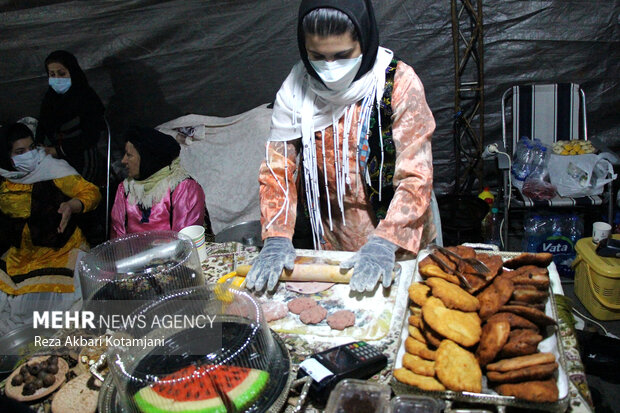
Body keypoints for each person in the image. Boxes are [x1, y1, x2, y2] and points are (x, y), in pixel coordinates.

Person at [247, 0, 436, 292]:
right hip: (333, 237)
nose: (330, 68)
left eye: (343, 55)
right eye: (317, 56)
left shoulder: (397, 84)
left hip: (396, 241)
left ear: (366, 40)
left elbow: (416, 176)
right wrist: (276, 236)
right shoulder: (296, 89)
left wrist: (385, 244)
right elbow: (278, 170)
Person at [0, 121, 101, 333]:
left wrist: (71, 206)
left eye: (31, 148)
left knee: (55, 322)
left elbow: (91, 193)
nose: (29, 155)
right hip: (19, 258)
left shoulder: (52, 170)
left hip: (60, 253)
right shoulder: (4, 179)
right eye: (20, 151)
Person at [109, 127, 206, 238]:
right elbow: (117, 237)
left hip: (172, 254)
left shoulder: (183, 188)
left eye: (129, 155)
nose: (123, 160)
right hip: (134, 255)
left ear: (148, 158)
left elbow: (185, 241)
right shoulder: (125, 189)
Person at [36, 50, 106, 185]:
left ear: (72, 72)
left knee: (77, 191)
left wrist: (58, 150)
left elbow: (91, 136)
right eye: (52, 74)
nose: (57, 78)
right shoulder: (50, 99)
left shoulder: (87, 98)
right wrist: (38, 145)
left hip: (82, 157)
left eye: (61, 74)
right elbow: (42, 125)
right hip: (55, 158)